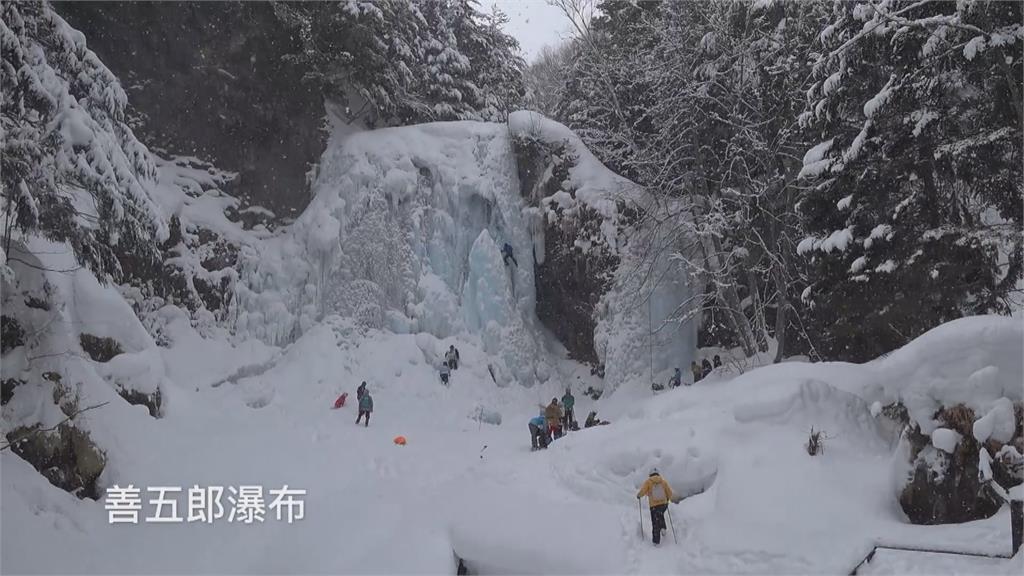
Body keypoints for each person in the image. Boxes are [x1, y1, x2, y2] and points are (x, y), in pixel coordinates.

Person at [637, 468, 674, 546]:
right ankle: (663, 528)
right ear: (658, 474)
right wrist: (668, 499)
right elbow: (670, 493)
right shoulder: (663, 481)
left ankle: (656, 541)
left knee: (655, 522)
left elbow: (643, 490)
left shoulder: (648, 482)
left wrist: (639, 495)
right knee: (660, 515)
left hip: (654, 505)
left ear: (650, 474)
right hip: (663, 504)